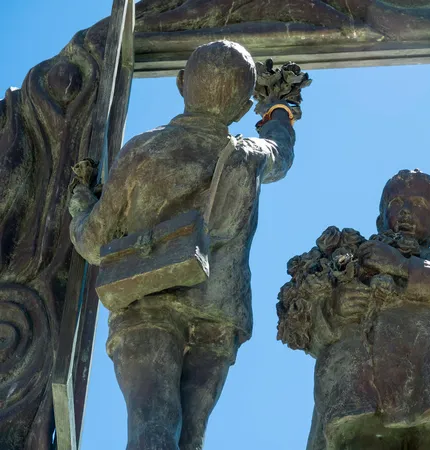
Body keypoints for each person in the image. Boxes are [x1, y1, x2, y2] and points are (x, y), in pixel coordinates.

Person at [69, 40, 297, 450]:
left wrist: (81, 205)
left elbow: (93, 243)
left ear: (180, 84)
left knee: (152, 427)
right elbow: (283, 149)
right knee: (190, 438)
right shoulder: (250, 154)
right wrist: (280, 111)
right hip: (219, 314)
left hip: (147, 301)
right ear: (244, 110)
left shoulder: (142, 150)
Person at [278, 170, 430, 449]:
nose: (406, 212)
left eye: (419, 204)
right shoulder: (354, 260)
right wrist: (333, 312)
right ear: (380, 218)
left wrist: (404, 267)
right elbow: (310, 334)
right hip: (359, 396)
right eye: (396, 203)